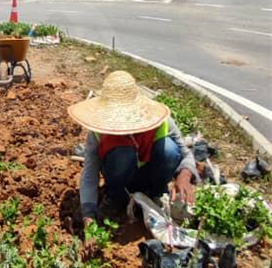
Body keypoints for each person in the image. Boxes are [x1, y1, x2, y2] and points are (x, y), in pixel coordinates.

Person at [68, 70, 197, 227]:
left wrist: (184, 174)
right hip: (118, 178)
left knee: (169, 150)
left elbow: (186, 154)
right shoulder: (98, 131)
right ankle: (116, 198)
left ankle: (155, 193)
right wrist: (88, 212)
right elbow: (90, 172)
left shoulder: (160, 121)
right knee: (123, 153)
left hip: (151, 175)